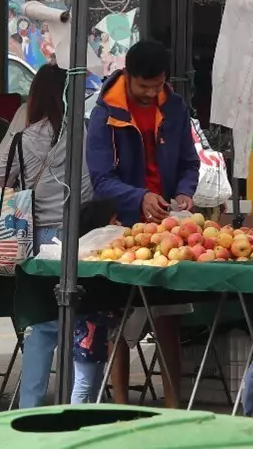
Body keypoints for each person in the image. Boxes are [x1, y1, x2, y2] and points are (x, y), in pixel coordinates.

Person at [86, 39, 199, 406]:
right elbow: (100, 179)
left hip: (169, 227)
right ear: (128, 76)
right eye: (144, 86)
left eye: (158, 84)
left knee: (168, 319)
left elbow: (188, 162)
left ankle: (173, 407)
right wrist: (139, 198)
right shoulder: (105, 113)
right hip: (121, 228)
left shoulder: (175, 106)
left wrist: (184, 192)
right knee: (118, 321)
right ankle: (120, 405)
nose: (152, 93)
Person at [0, 63, 98, 407]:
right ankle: (78, 408)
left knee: (40, 327)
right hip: (79, 237)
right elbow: (91, 190)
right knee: (82, 326)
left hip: (34, 239)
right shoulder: (84, 131)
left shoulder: (25, 136)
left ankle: (31, 408)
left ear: (35, 95)